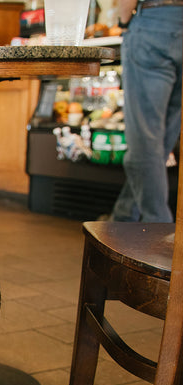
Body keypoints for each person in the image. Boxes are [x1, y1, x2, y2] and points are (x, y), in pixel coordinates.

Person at [109, 0, 182, 222]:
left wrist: (124, 20)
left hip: (154, 22)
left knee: (145, 141)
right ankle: (123, 218)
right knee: (162, 139)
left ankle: (158, 232)